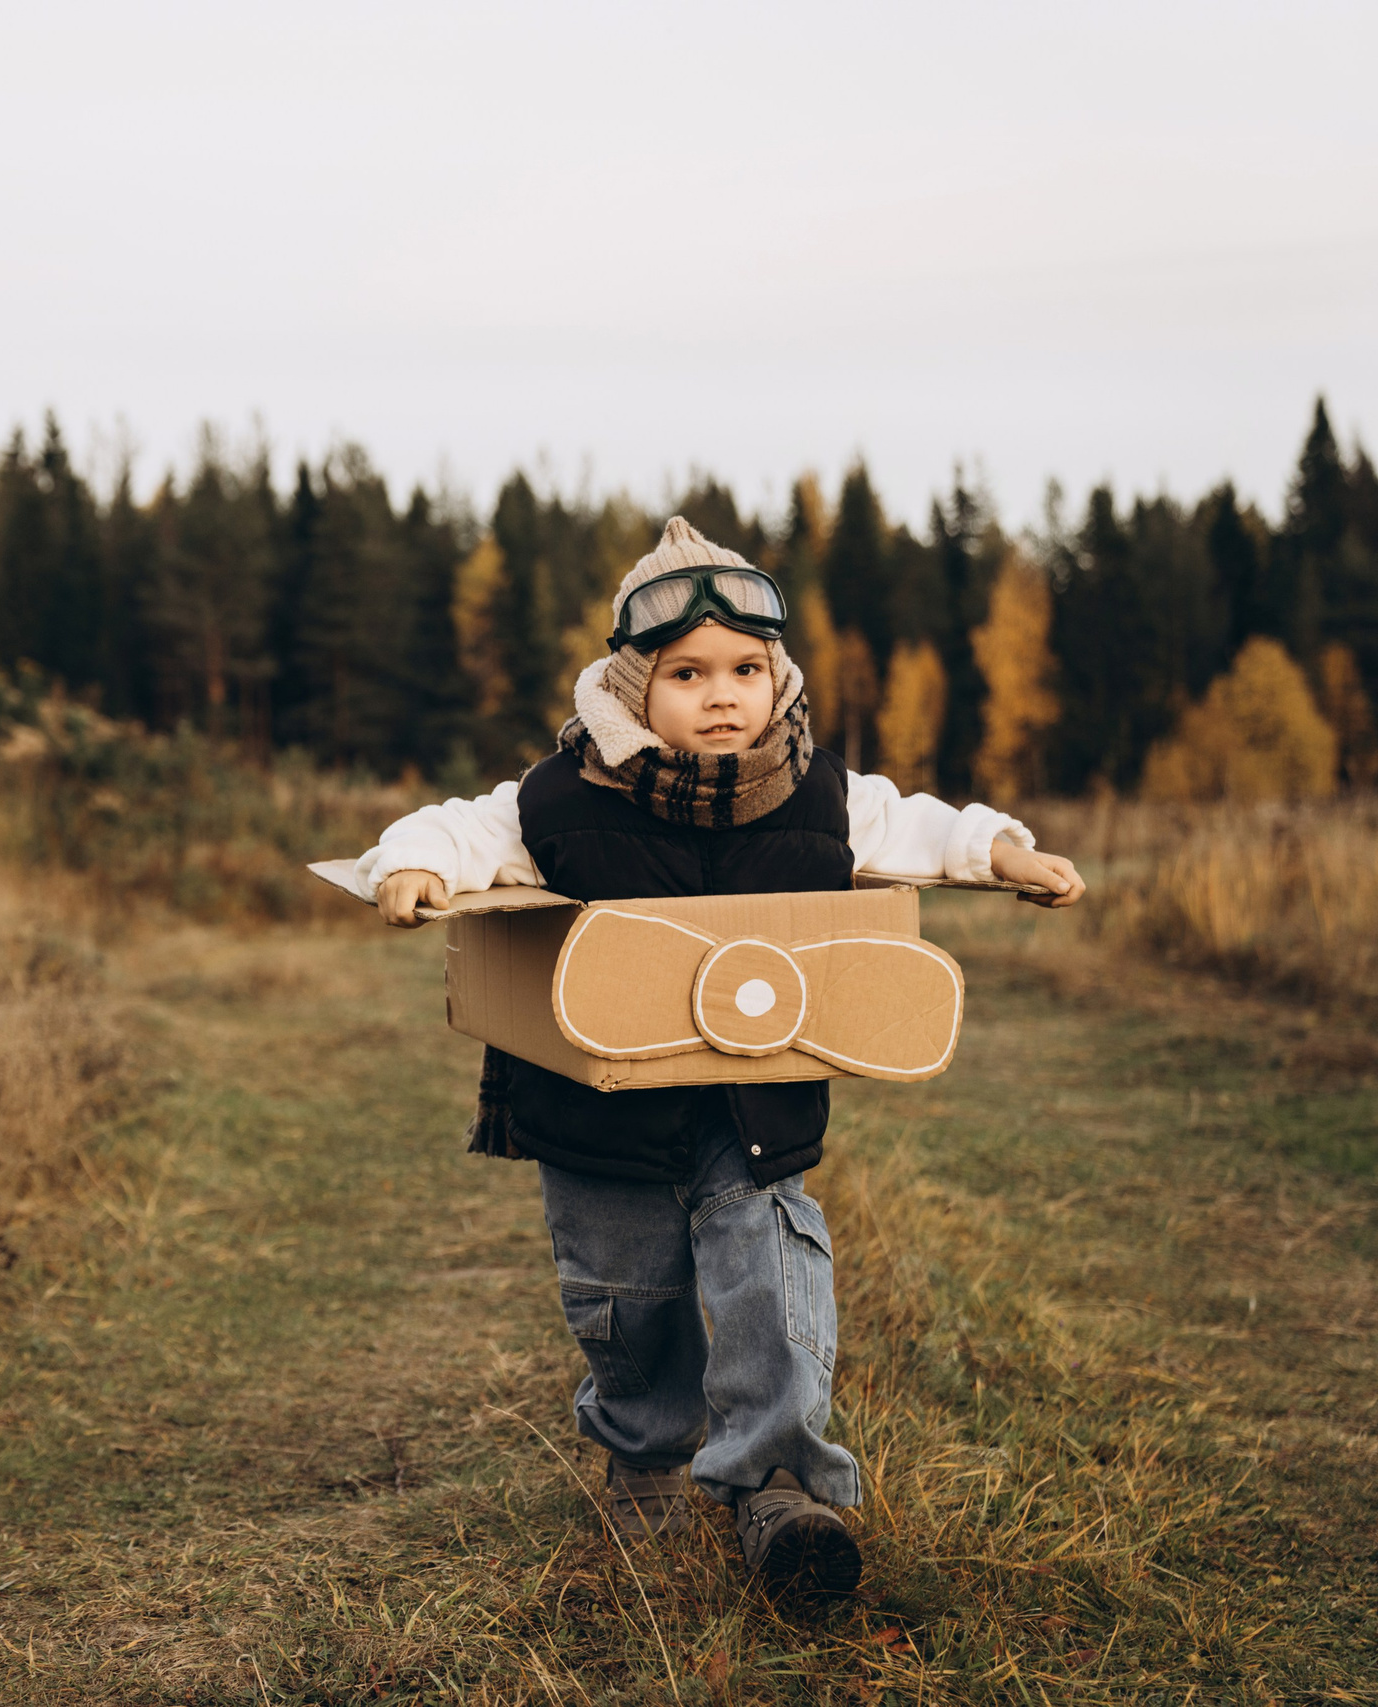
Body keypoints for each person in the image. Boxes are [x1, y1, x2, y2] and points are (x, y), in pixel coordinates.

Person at [349, 517, 1084, 1598]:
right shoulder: (562, 796)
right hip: (602, 1107)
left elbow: (918, 828)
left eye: (746, 668)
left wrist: (1005, 852)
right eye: (688, 673)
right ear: (632, 682)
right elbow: (460, 828)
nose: (723, 693)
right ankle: (646, 1456)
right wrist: (410, 869)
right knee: (626, 1297)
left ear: (776, 675)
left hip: (753, 1099)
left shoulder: (819, 791)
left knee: (772, 1283)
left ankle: (776, 1483)